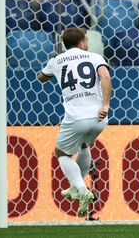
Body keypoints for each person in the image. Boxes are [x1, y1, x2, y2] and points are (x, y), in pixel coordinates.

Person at [37, 27, 112, 218]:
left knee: (61, 153)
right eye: (86, 40)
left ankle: (81, 188)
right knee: (84, 145)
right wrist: (105, 104)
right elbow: (105, 76)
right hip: (99, 118)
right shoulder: (95, 57)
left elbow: (41, 77)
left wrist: (50, 71)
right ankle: (74, 186)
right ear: (82, 42)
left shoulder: (57, 60)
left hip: (76, 118)